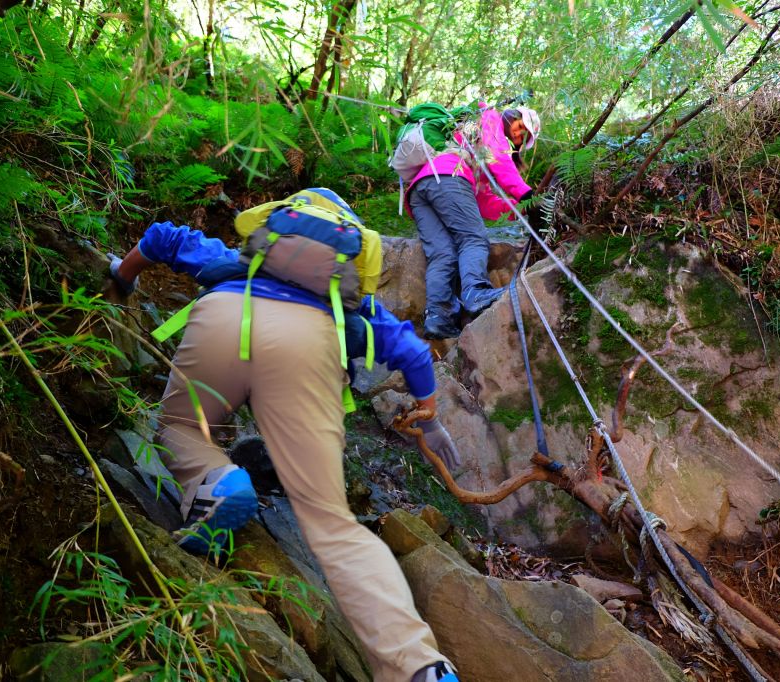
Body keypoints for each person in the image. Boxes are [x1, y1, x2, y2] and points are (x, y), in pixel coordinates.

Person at [107, 188, 462, 682]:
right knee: (333, 528)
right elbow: (414, 353)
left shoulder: (237, 261)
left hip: (228, 314)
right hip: (311, 345)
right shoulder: (349, 308)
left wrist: (121, 278)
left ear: (278, 228)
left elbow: (163, 238)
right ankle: (418, 665)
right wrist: (430, 413)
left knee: (182, 426)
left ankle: (216, 481)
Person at [406, 105, 541, 340]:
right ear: (512, 116)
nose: (518, 136)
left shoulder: (472, 145)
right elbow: (498, 159)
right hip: (448, 179)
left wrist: (517, 207)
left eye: (523, 137)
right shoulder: (490, 118)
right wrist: (527, 195)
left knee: (442, 253)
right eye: (521, 128)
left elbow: (481, 200)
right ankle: (475, 293)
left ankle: (438, 318)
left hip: (421, 189)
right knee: (474, 239)